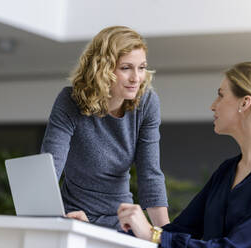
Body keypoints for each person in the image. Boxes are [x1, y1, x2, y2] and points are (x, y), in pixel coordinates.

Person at [118, 62, 251, 247]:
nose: (213, 106)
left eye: (220, 95)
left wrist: (153, 235)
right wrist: (122, 229)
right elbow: (179, 231)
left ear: (245, 102)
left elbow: (237, 246)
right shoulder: (227, 171)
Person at [40, 26, 169, 230]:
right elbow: (50, 168)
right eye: (126, 68)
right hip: (75, 215)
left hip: (121, 221)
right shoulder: (70, 101)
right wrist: (58, 219)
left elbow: (149, 174)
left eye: (142, 67)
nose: (136, 78)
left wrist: (166, 237)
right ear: (103, 68)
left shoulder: (147, 103)